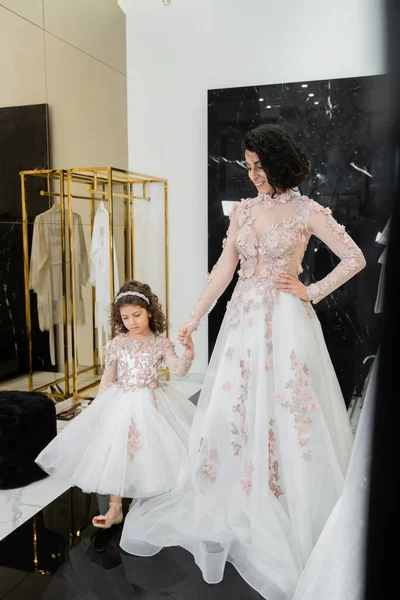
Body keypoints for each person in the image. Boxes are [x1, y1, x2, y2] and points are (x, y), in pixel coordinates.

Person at [120, 124, 366, 599]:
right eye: (247, 166)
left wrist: (309, 290)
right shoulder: (245, 211)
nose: (252, 174)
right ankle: (240, 490)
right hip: (242, 323)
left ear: (279, 162)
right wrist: (192, 318)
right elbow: (224, 269)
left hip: (286, 323)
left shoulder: (307, 211)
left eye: (258, 165)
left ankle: (286, 495)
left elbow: (354, 257)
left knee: (287, 407)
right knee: (233, 407)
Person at [36, 280, 196, 529]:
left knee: (151, 451)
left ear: (150, 312)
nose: (131, 322)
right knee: (117, 452)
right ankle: (115, 507)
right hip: (120, 402)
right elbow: (108, 377)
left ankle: (151, 502)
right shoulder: (118, 343)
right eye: (125, 317)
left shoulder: (161, 343)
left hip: (152, 402)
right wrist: (97, 409)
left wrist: (188, 354)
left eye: (137, 315)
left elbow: (179, 370)